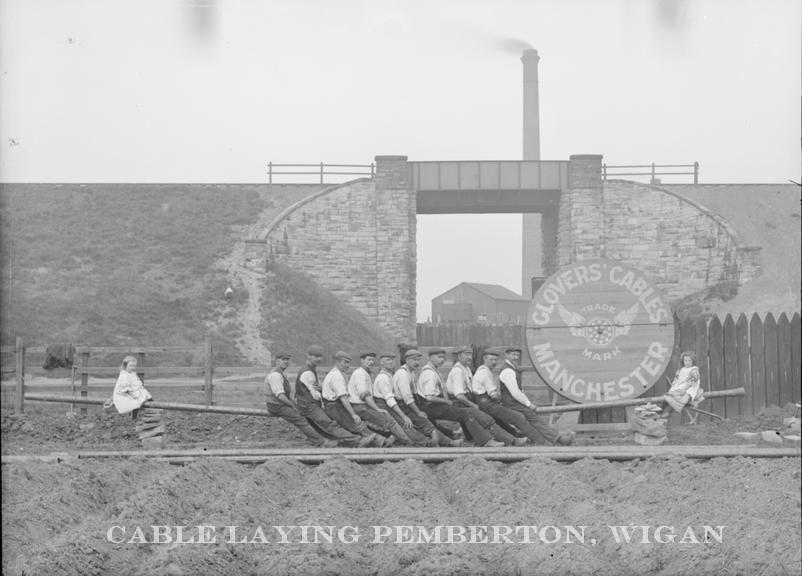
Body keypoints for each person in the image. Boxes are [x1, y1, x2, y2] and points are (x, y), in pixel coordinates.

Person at [415, 348, 507, 448]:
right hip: (431, 406)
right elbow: (429, 397)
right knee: (466, 413)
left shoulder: (433, 370)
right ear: (430, 358)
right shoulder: (429, 373)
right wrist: (446, 401)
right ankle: (484, 441)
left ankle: (474, 437)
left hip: (435, 404)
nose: (442, 360)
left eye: (443, 357)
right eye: (439, 357)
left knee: (466, 412)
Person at [295, 345, 377, 448]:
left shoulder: (312, 370)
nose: (319, 359)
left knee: (327, 425)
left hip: (310, 404)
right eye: (316, 356)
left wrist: (321, 389)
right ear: (308, 356)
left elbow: (317, 387)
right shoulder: (308, 372)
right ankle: (356, 441)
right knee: (330, 424)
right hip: (309, 405)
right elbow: (315, 394)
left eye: (320, 356)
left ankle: (332, 441)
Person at [498, 347, 575, 445]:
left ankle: (555, 439)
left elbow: (519, 391)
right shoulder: (507, 371)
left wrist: (527, 402)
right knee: (533, 418)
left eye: (517, 355)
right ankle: (556, 440)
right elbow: (515, 392)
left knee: (534, 418)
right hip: (510, 403)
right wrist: (528, 404)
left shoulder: (512, 368)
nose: (516, 357)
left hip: (513, 402)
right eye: (513, 355)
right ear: (506, 355)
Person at [265, 352, 337, 447]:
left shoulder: (280, 374)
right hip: (276, 405)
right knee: (300, 419)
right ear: (277, 361)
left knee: (303, 415)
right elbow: (280, 396)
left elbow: (285, 395)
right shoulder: (275, 375)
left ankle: (317, 437)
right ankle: (321, 442)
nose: (286, 362)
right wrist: (292, 406)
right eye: (283, 360)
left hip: (279, 403)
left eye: (287, 360)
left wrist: (294, 404)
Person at [392, 349, 460, 447]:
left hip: (409, 403)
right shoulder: (403, 374)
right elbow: (408, 398)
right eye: (414, 360)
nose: (417, 363)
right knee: (424, 422)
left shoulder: (411, 372)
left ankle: (448, 439)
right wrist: (418, 411)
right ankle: (447, 443)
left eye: (418, 360)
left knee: (429, 419)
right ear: (407, 360)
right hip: (403, 406)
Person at [321, 351, 389, 447]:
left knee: (356, 425)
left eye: (348, 362)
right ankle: (376, 441)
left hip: (334, 405)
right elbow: (343, 398)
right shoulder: (336, 376)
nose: (347, 365)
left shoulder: (335, 373)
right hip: (334, 406)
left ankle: (379, 439)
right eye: (345, 362)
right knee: (355, 424)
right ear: (337, 362)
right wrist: (353, 414)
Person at [347, 352, 416, 445]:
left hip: (363, 405)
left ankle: (389, 440)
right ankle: (408, 443)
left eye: (372, 360)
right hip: (360, 406)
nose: (371, 362)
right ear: (362, 360)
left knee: (386, 420)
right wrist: (377, 409)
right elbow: (364, 396)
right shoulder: (360, 373)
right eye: (368, 360)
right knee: (388, 420)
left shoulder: (366, 373)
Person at [373, 352, 436, 446]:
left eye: (392, 360)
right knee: (405, 423)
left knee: (409, 422)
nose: (391, 362)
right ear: (381, 363)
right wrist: (403, 416)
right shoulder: (383, 378)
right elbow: (390, 400)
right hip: (384, 405)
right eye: (387, 360)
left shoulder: (390, 375)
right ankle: (424, 443)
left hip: (390, 404)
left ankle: (423, 440)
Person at [661, 351, 704, 418]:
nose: (687, 362)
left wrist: (684, 389)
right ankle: (660, 411)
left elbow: (692, 381)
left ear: (693, 361)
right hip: (680, 387)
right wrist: (673, 388)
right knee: (669, 396)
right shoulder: (681, 370)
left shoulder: (694, 370)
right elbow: (676, 380)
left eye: (689, 360)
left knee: (678, 398)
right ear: (683, 361)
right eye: (685, 360)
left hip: (689, 388)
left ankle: (668, 412)